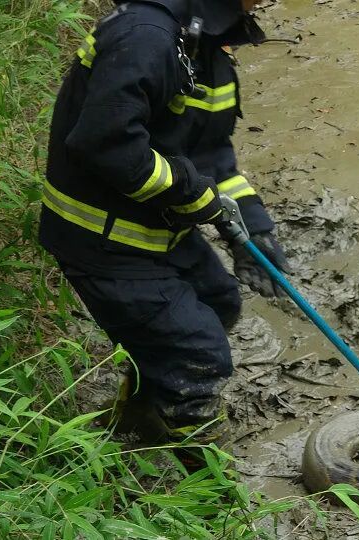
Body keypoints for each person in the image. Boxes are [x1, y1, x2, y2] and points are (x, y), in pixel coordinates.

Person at [39, 0, 291, 458]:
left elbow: (210, 151)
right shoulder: (146, 35)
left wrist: (252, 225)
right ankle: (211, 490)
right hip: (102, 240)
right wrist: (191, 192)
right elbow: (105, 145)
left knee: (218, 302)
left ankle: (139, 416)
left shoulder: (206, 39)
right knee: (197, 355)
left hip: (155, 227)